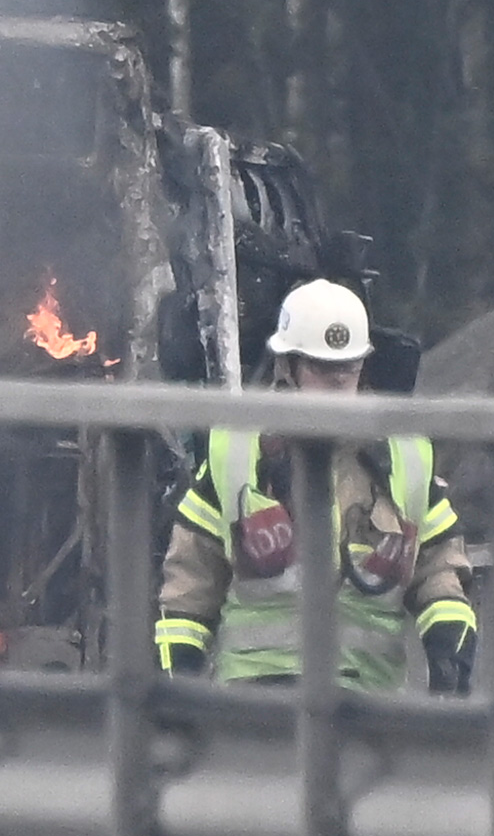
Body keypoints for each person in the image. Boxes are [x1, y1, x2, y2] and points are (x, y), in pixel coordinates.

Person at [155, 279, 476, 697]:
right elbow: (189, 584)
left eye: (348, 368)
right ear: (287, 367)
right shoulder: (235, 450)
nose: (337, 381)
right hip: (255, 701)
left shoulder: (406, 457)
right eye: (321, 368)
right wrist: (181, 680)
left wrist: (449, 644)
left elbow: (441, 572)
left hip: (365, 701)